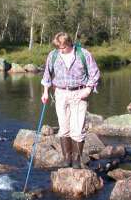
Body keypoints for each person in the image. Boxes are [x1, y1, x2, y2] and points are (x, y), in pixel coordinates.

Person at [40, 32, 101, 169]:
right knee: (63, 129)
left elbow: (95, 73)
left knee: (78, 130)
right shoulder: (53, 55)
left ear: (69, 43)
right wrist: (45, 92)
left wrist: (88, 89)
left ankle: (76, 161)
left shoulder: (83, 54)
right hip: (60, 93)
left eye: (63, 47)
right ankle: (66, 159)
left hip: (79, 93)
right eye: (58, 47)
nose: (60, 50)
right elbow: (47, 75)